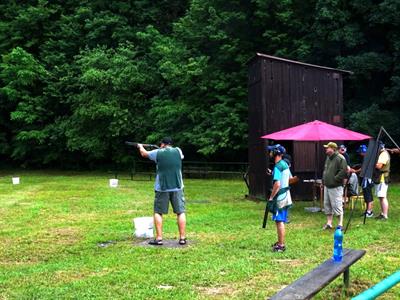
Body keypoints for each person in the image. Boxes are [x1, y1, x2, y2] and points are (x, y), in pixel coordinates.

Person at [137, 137, 187, 245]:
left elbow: (144, 154)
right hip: (178, 186)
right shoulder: (178, 150)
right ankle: (182, 238)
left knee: (158, 212)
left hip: (162, 188)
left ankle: (159, 238)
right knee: (180, 212)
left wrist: (140, 146)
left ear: (163, 144)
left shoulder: (157, 152)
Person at [267, 144, 293, 252]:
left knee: (279, 221)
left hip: (280, 198)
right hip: (287, 196)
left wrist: (271, 197)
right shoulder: (284, 164)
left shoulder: (277, 166)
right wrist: (273, 174)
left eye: (271, 151)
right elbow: (290, 178)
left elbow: (277, 184)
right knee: (281, 220)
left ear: (276, 153)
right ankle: (279, 241)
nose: (270, 153)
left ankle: (281, 245)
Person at [322, 142, 348, 230]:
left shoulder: (340, 158)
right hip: (327, 185)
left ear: (333, 149)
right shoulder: (328, 158)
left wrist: (335, 179)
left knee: (337, 205)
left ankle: (340, 224)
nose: (326, 149)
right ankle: (329, 223)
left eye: (327, 148)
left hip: (336, 186)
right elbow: (325, 170)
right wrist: (324, 180)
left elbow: (343, 171)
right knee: (327, 205)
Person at [351, 144, 374, 217]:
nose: (360, 154)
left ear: (363, 152)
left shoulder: (367, 158)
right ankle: (367, 210)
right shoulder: (366, 157)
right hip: (365, 179)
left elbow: (363, 168)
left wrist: (355, 171)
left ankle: (369, 211)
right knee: (366, 195)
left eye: (360, 152)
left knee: (368, 195)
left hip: (367, 179)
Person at [373, 142, 391, 220]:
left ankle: (385, 215)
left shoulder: (383, 154)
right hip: (380, 177)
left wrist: (372, 163)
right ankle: (382, 213)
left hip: (382, 178)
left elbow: (379, 166)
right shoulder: (382, 153)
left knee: (383, 197)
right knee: (380, 197)